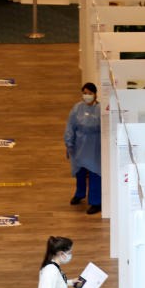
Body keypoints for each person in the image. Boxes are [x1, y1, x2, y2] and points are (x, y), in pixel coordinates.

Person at [65, 83, 102, 214]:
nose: (87, 96)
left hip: (95, 145)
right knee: (79, 171)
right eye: (84, 93)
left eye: (89, 93)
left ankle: (96, 201)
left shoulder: (100, 109)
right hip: (79, 144)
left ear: (95, 94)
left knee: (95, 172)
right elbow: (70, 126)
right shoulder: (77, 108)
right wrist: (69, 143)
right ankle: (79, 193)